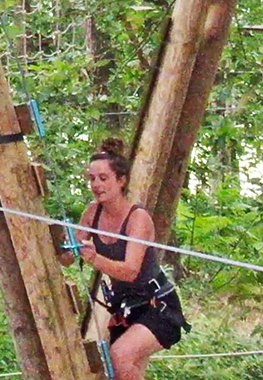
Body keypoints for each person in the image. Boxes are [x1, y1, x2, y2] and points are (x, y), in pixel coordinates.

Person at [71, 139, 188, 380]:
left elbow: (130, 271)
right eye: (92, 178)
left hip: (157, 306)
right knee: (125, 370)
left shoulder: (138, 218)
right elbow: (66, 256)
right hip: (124, 309)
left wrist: (94, 258)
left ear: (121, 181)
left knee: (119, 356)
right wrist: (62, 242)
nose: (96, 185)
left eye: (103, 178)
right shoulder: (92, 213)